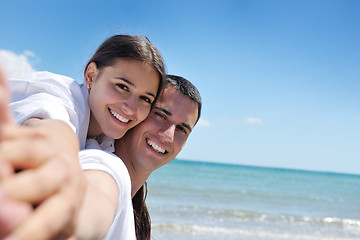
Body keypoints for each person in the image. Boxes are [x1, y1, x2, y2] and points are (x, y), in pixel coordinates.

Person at [0, 34, 166, 240]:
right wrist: (60, 160)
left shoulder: (103, 142)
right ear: (91, 76)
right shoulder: (59, 95)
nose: (131, 108)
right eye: (122, 86)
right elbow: (49, 126)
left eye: (144, 98)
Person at [75, 75, 202, 239]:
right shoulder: (106, 167)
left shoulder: (135, 209)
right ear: (138, 112)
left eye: (182, 129)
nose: (168, 136)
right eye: (161, 115)